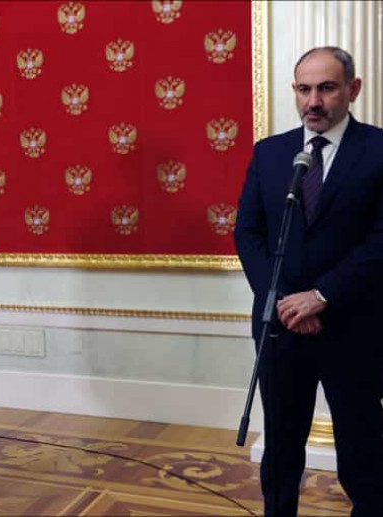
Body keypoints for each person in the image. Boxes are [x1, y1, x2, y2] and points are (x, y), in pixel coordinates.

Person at [235, 47, 383, 516]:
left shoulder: (378, 150)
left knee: (362, 450)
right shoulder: (271, 153)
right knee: (280, 449)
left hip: (353, 327)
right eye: (304, 89)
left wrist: (322, 297)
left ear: (353, 89)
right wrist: (284, 302)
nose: (313, 101)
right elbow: (248, 232)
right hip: (281, 328)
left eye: (326, 88)